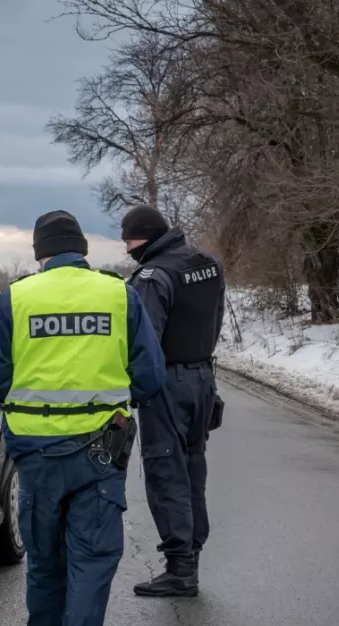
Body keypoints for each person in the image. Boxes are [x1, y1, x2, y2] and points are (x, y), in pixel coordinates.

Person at [0, 210, 165, 626]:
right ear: (81, 249)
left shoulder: (15, 299)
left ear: (40, 254)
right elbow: (149, 378)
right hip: (101, 453)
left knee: (45, 557)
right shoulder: (118, 294)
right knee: (93, 559)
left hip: (35, 455)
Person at [122, 204, 226, 598]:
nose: (126, 247)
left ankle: (180, 568)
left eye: (128, 239)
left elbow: (144, 342)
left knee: (167, 471)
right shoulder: (208, 264)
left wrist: (135, 388)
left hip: (166, 382)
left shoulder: (153, 275)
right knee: (193, 467)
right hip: (202, 378)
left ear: (142, 238)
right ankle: (192, 555)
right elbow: (214, 320)